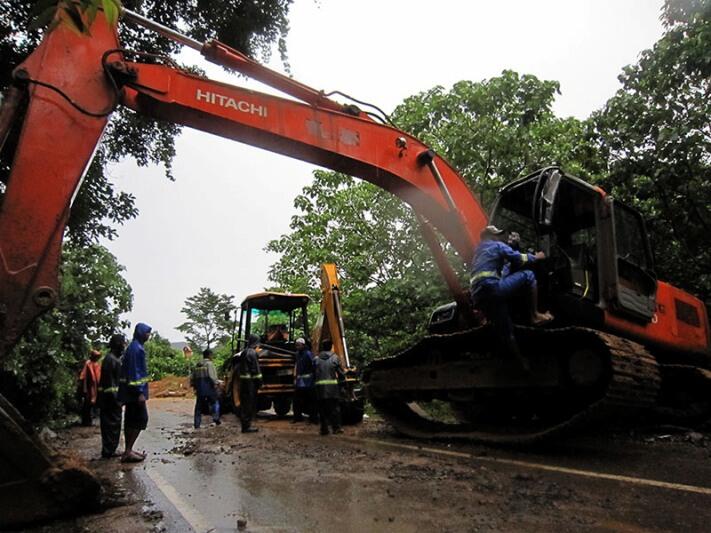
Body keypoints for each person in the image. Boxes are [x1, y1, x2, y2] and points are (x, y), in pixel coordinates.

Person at [469, 225, 553, 368]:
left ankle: (521, 363)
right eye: (496, 235)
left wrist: (511, 248)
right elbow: (519, 258)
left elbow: (502, 272)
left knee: (507, 331)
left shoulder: (478, 253)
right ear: (489, 236)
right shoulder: (496, 245)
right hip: (492, 289)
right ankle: (535, 315)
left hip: (479, 296)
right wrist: (537, 256)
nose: (498, 237)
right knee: (529, 275)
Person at [118, 322, 152, 463]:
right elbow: (135, 372)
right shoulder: (136, 349)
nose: (149, 335)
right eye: (147, 332)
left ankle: (129, 449)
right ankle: (128, 450)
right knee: (140, 419)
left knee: (131, 420)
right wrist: (139, 392)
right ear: (141, 333)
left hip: (131, 392)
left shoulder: (135, 347)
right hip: (134, 393)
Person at [98, 333, 125, 458]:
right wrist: (117, 399)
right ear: (118, 345)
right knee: (111, 425)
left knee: (111, 425)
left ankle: (109, 449)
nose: (124, 347)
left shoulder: (111, 359)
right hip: (111, 400)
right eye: (122, 344)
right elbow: (111, 384)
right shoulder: (111, 360)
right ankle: (109, 450)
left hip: (110, 399)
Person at [313, 339, 345, 436]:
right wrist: (342, 384)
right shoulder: (335, 358)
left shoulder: (316, 359)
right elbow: (341, 374)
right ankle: (336, 428)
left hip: (320, 389)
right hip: (332, 389)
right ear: (331, 346)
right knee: (334, 408)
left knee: (322, 409)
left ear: (322, 347)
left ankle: (324, 429)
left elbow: (313, 373)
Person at [191, 348, 221, 428]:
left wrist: (195, 387)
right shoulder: (209, 364)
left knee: (198, 408)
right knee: (215, 403)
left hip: (200, 390)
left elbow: (192, 378)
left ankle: (197, 425)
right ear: (209, 355)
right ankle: (216, 420)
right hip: (209, 388)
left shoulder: (197, 365)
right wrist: (217, 384)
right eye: (212, 355)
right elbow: (212, 376)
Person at [238, 334, 262, 433]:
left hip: (243, 382)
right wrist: (259, 383)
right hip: (250, 383)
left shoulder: (243, 352)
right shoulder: (252, 353)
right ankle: (246, 427)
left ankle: (245, 425)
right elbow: (256, 371)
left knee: (244, 404)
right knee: (249, 404)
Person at [292, 338, 317, 423]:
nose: (297, 346)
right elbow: (297, 365)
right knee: (297, 401)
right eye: (296, 345)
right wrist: (295, 378)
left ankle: (313, 418)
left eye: (298, 345)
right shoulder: (297, 354)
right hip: (300, 382)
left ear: (303, 345)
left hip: (309, 382)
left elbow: (314, 366)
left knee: (311, 401)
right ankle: (297, 417)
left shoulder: (308, 354)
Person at [78, 349, 102, 426]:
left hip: (96, 387)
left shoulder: (97, 365)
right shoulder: (88, 364)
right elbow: (83, 377)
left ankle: (91, 419)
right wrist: (83, 389)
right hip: (89, 388)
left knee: (94, 404)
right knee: (87, 404)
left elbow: (99, 376)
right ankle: (86, 421)